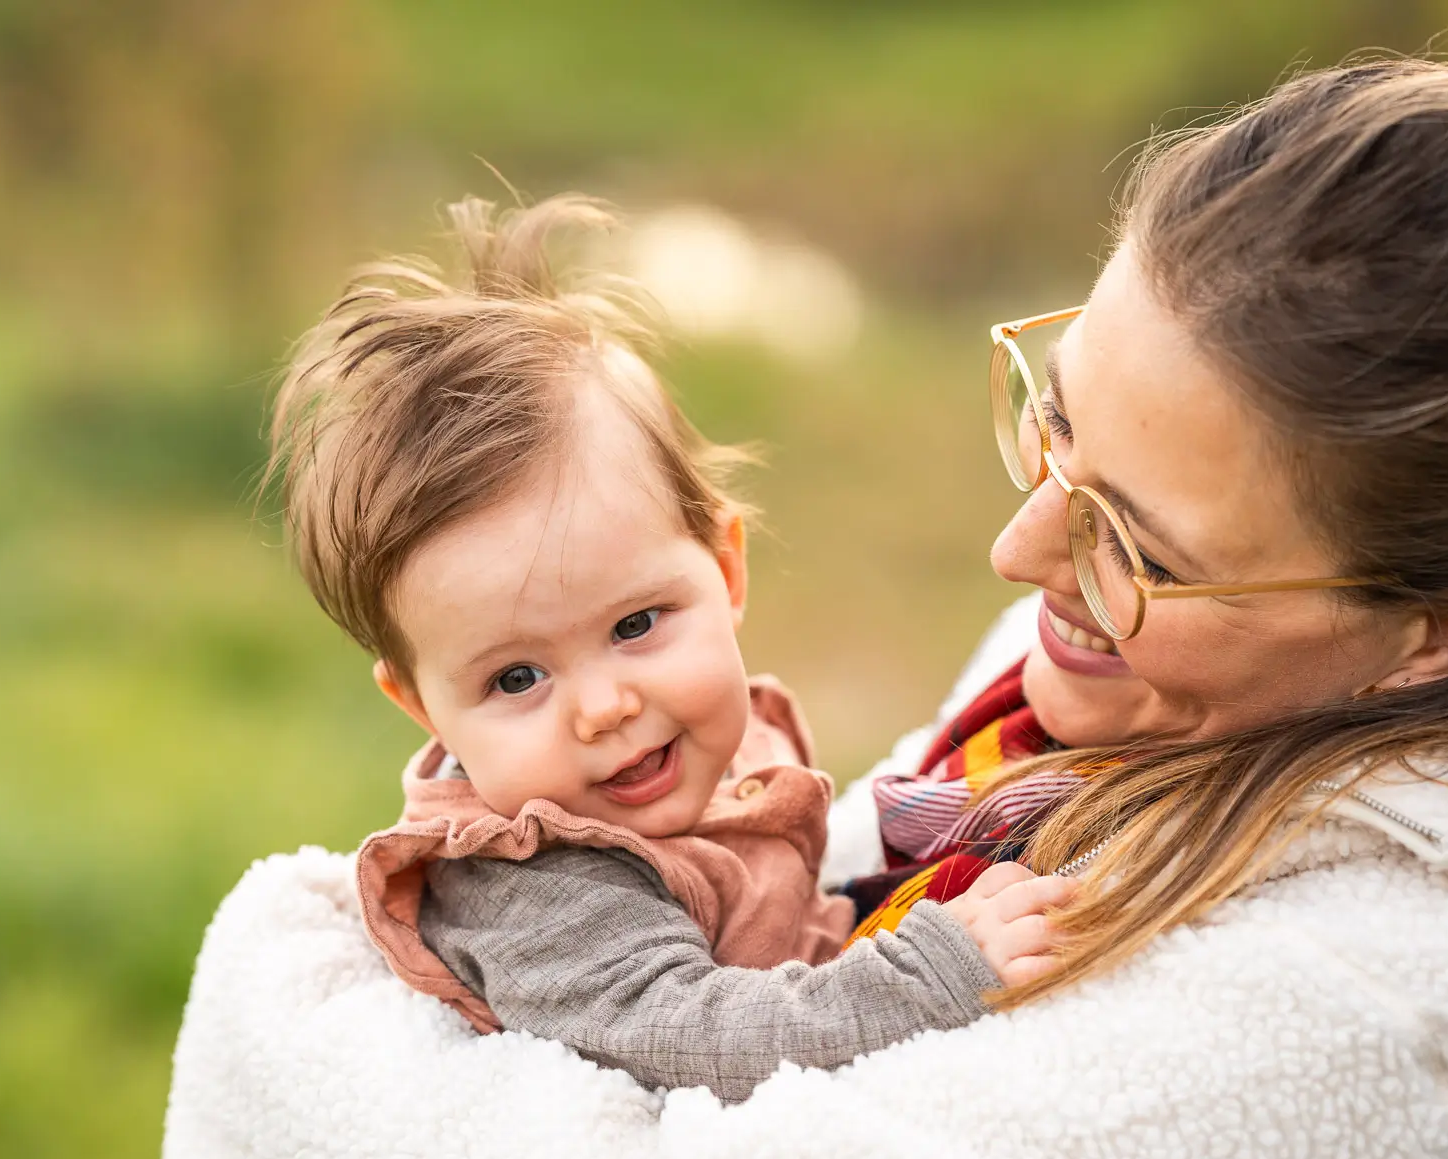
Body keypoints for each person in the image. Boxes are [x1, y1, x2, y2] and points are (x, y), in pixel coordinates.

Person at [163, 57, 1448, 1159]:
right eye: (1055, 425)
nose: (1021, 554)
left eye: (1137, 545)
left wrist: (286, 988)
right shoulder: (1133, 677)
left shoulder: (1381, 1032)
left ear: (1442, 632)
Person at [270, 195, 1071, 1087]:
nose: (605, 705)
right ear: (422, 706)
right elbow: (693, 1038)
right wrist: (924, 976)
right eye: (519, 677)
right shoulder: (545, 886)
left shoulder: (702, 754)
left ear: (725, 571)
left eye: (635, 625)